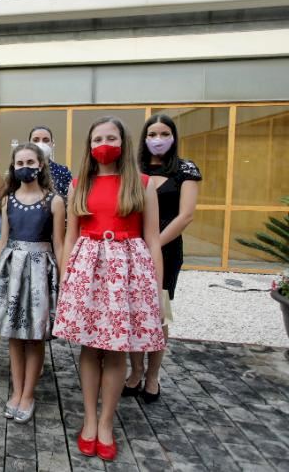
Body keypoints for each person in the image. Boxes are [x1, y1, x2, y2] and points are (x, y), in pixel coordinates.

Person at [53, 117, 165, 462]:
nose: (104, 144)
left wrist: (156, 290)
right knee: (90, 348)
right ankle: (89, 418)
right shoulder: (78, 184)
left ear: (123, 142)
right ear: (89, 146)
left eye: (111, 138)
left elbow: (153, 239)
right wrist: (66, 281)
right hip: (88, 271)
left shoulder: (142, 184)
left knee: (116, 351)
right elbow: (70, 236)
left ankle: (106, 422)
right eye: (98, 138)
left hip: (126, 274)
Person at [0, 143, 65, 421]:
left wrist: (63, 279)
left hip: (40, 271)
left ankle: (28, 394)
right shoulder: (8, 200)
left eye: (30, 162)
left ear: (40, 165)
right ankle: (16, 391)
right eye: (19, 163)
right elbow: (3, 239)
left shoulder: (54, 201)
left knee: (35, 336)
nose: (25, 167)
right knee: (14, 335)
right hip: (12, 269)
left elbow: (59, 243)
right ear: (13, 167)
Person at [122, 114, 201, 402]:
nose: (158, 139)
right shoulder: (133, 169)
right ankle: (135, 371)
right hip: (132, 250)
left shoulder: (185, 169)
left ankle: (153, 375)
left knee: (159, 312)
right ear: (144, 138)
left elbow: (186, 215)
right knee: (133, 311)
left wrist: (153, 243)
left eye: (164, 133)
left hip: (165, 251)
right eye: (152, 134)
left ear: (173, 136)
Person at [29, 126, 72, 199]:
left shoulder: (63, 171)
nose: (41, 144)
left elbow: (70, 200)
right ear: (29, 143)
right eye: (36, 140)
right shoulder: (22, 170)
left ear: (52, 143)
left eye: (46, 140)